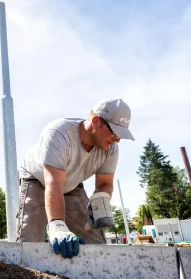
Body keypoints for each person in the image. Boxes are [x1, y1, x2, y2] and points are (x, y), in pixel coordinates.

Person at [16, 98, 134, 258]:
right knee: (29, 242)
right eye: (114, 132)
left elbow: (105, 183)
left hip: (71, 185)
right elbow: (54, 183)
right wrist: (57, 226)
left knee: (94, 242)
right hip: (38, 180)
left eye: (120, 135)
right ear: (96, 122)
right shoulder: (59, 134)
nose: (117, 139)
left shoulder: (111, 149)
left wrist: (100, 205)